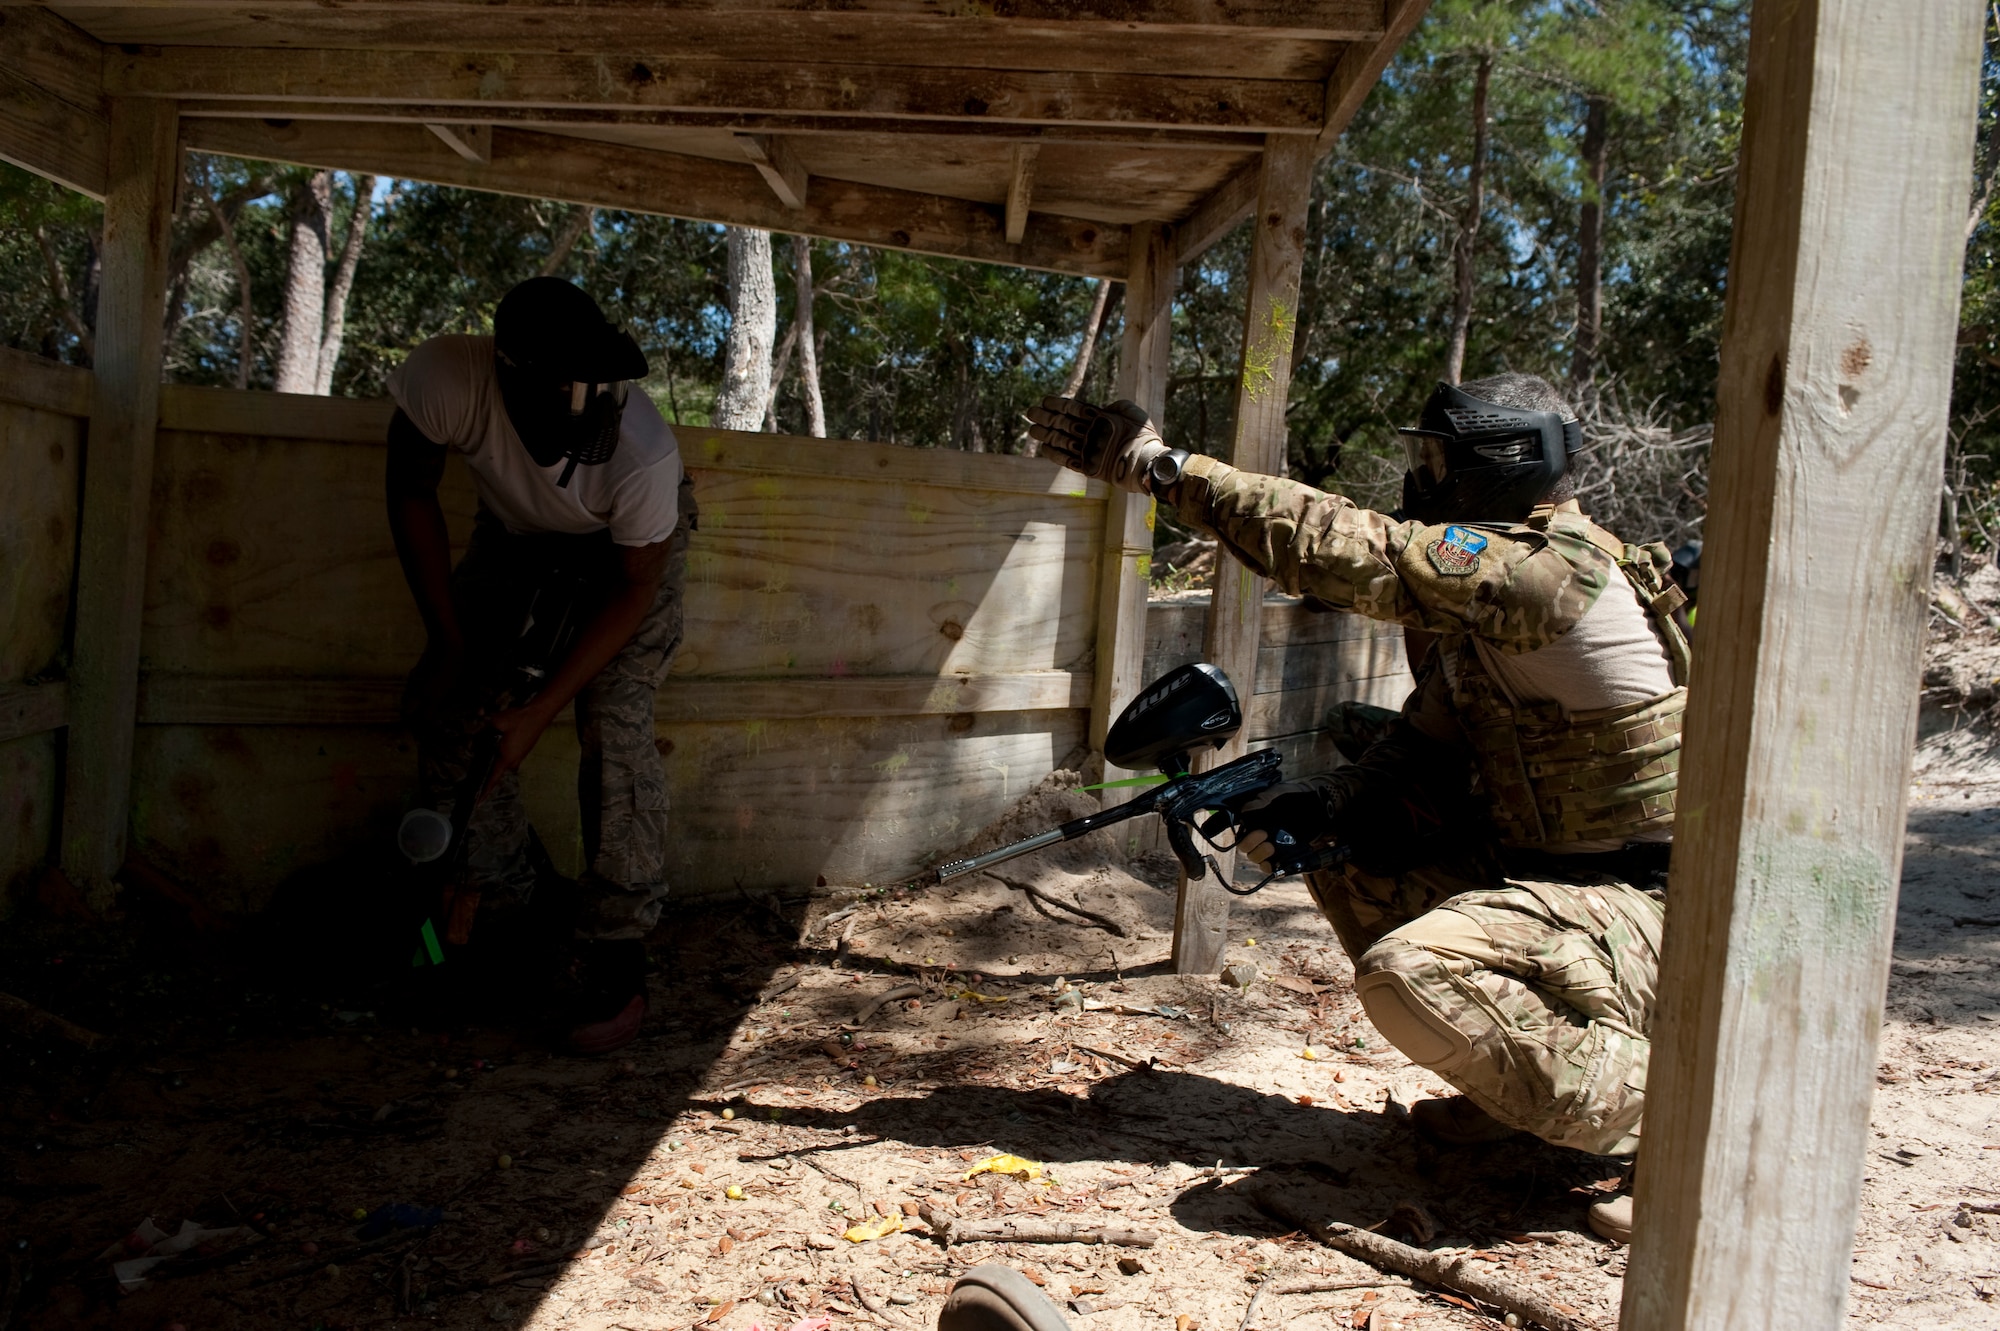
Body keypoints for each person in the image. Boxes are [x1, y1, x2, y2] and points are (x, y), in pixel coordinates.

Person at [1027, 375, 1690, 1243]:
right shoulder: (1502, 599)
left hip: (1656, 914)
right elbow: (1423, 745)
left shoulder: (1550, 574)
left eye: (1439, 459)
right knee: (1342, 850)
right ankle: (1520, 1088)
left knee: (1414, 974)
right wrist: (1321, 800)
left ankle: (1687, 1122)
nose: (1423, 478)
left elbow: (1346, 547)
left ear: (1498, 462)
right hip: (1561, 886)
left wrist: (1159, 466)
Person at [385, 277, 694, 1055]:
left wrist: (542, 708)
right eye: (562, 388)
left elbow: (631, 589)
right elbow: (411, 489)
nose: (585, 405)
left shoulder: (642, 455)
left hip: (626, 558)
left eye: (597, 388)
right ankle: (504, 918)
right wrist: (447, 641)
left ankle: (618, 960)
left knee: (612, 726)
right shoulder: (446, 379)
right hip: (518, 537)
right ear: (508, 372)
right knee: (459, 714)